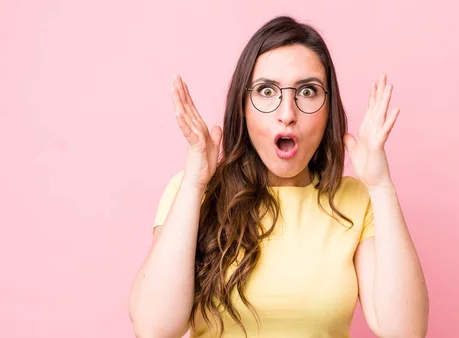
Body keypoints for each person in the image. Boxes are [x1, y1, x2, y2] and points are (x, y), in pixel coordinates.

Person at [128, 15, 429, 338]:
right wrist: (194, 183)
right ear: (242, 107)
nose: (287, 114)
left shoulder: (355, 199)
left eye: (308, 91)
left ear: (329, 110)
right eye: (267, 91)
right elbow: (154, 328)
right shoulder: (192, 191)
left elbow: (405, 331)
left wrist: (381, 186)